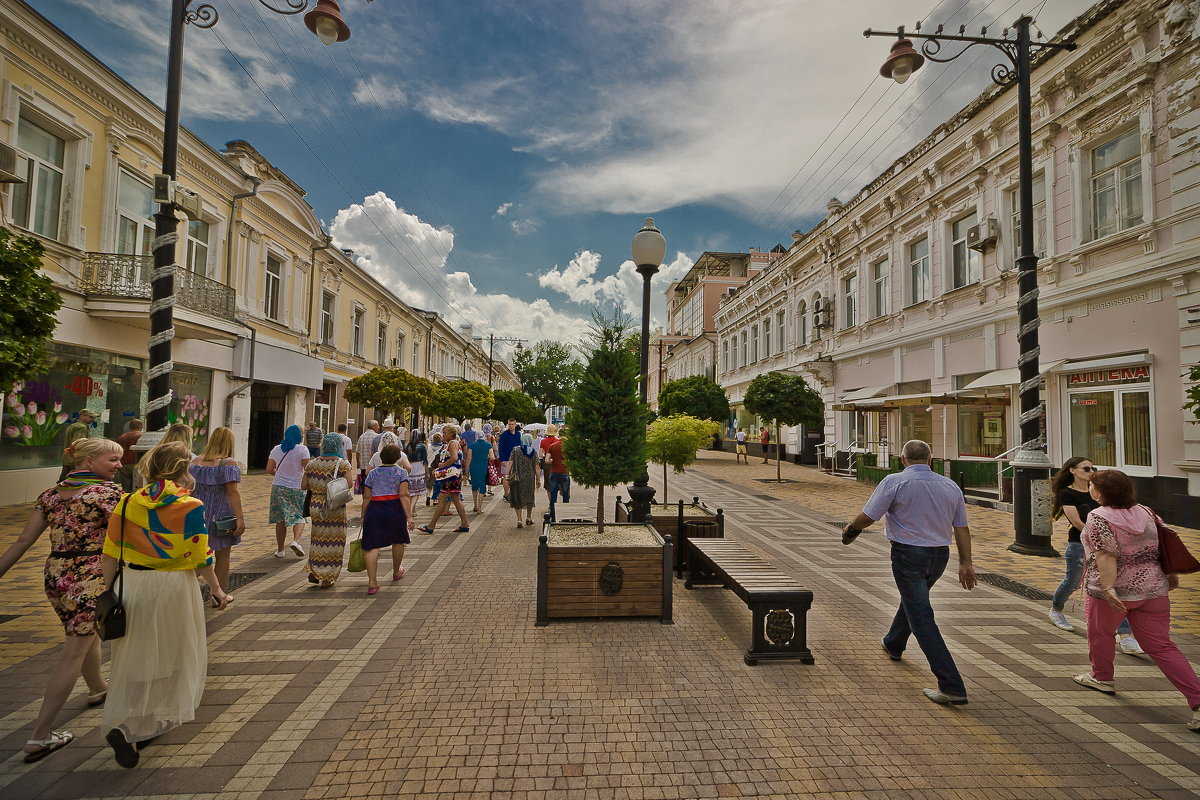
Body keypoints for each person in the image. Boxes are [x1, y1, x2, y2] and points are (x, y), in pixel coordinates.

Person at [101, 441, 231, 768]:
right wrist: (217, 590)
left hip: (132, 583)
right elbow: (201, 558)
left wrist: (108, 590)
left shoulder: (128, 501)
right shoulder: (189, 505)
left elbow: (109, 550)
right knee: (172, 654)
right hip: (173, 586)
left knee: (135, 652)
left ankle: (133, 720)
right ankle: (136, 725)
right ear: (183, 468)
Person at [0, 438, 123, 762]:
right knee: (73, 652)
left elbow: (24, 540)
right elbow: (127, 535)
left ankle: (98, 688)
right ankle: (39, 736)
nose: (119, 465)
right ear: (88, 461)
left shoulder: (51, 495)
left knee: (81, 634)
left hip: (56, 576)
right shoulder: (107, 495)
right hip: (90, 576)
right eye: (113, 459)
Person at [841, 439, 976, 705]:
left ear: (902, 459)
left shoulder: (895, 481)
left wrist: (851, 530)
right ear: (930, 459)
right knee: (915, 601)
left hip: (908, 555)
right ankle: (894, 642)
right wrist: (966, 562)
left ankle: (951, 685)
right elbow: (961, 527)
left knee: (921, 616)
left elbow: (869, 515)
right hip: (939, 555)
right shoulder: (950, 486)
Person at [1072, 469, 1200, 732]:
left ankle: (1102, 677)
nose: (1090, 490)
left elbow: (1106, 555)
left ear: (1102, 491)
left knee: (1100, 634)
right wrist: (1170, 574)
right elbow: (1164, 544)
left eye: (1093, 486)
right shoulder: (1146, 512)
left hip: (1112, 592)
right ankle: (1198, 701)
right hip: (1153, 589)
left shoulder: (1097, 517)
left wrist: (1108, 588)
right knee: (1162, 646)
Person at [1048, 457, 1140, 652]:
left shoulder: (1098, 492)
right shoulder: (1067, 493)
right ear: (1073, 470)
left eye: (1093, 468)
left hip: (1106, 548)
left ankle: (1125, 636)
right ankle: (1056, 610)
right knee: (1073, 582)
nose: (1091, 471)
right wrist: (1097, 537)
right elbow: (1077, 523)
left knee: (1112, 585)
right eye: (1086, 468)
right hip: (1079, 544)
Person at [189, 427, 245, 592]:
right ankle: (218, 594)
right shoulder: (229, 464)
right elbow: (232, 492)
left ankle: (187, 590)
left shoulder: (195, 463)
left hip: (197, 513)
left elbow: (190, 489)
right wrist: (240, 518)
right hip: (221, 514)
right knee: (222, 555)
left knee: (198, 554)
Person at [301, 432, 354, 588]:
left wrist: (318, 485)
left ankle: (315, 570)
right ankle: (327, 577)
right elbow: (349, 484)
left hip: (316, 505)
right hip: (334, 504)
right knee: (335, 540)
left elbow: (304, 485)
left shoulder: (312, 463)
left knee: (317, 539)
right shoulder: (343, 464)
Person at [361, 443, 412, 595]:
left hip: (375, 508)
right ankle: (396, 571)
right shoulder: (402, 473)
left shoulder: (372, 474)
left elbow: (367, 497)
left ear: (381, 457)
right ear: (398, 457)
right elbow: (403, 495)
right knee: (398, 540)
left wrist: (363, 514)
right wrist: (409, 516)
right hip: (394, 508)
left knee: (372, 545)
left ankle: (372, 582)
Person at [417, 424, 470, 534]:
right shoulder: (454, 443)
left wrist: (443, 465)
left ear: (451, 434)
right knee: (455, 498)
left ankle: (431, 526)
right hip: (454, 475)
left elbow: (454, 457)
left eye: (445, 433)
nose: (443, 435)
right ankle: (464, 523)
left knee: (442, 498)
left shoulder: (451, 443)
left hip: (450, 476)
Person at [267, 425, 309, 558]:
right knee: (299, 516)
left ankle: (280, 550)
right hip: (296, 487)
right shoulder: (303, 449)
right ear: (299, 436)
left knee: (280, 519)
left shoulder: (276, 449)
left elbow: (269, 469)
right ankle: (296, 541)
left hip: (278, 487)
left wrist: (281, 475)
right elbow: (307, 469)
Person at [506, 433, 541, 527]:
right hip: (529, 479)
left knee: (517, 498)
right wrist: (538, 479)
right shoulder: (533, 452)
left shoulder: (515, 450)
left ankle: (519, 520)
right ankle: (529, 518)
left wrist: (507, 474)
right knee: (529, 497)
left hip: (517, 478)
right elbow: (537, 467)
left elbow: (510, 463)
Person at [540, 424, 570, 522]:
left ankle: (553, 516)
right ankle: (565, 516)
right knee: (565, 495)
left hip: (554, 473)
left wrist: (553, 460)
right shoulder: (569, 446)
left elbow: (546, 460)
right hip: (565, 472)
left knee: (553, 495)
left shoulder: (552, 446)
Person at [58, 409, 96, 481]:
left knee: (63, 481)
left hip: (68, 458)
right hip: (75, 460)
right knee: (76, 482)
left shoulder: (73, 425)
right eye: (91, 417)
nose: (93, 419)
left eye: (94, 417)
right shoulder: (81, 427)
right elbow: (78, 443)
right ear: (82, 416)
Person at [466, 430, 496, 513]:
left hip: (473, 467)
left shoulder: (472, 445)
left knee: (474, 486)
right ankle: (479, 508)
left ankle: (475, 505)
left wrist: (467, 469)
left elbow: (469, 458)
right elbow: (492, 457)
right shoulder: (488, 445)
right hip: (483, 467)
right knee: (482, 486)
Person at [403, 430, 428, 519]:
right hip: (419, 468)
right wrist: (427, 472)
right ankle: (410, 509)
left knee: (410, 491)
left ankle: (413, 510)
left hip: (409, 468)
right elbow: (425, 461)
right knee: (417, 492)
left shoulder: (406, 446)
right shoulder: (422, 446)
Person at [114, 419, 143, 492]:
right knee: (137, 488)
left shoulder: (121, 437)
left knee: (126, 488)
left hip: (124, 465)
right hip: (136, 464)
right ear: (142, 426)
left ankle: (125, 500)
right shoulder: (142, 436)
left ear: (129, 427)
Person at [497, 419, 522, 500]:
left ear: (515, 425)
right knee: (506, 476)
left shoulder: (518, 434)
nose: (510, 426)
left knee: (514, 476)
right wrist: (502, 460)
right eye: (509, 424)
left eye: (512, 424)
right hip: (506, 458)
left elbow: (520, 446)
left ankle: (512, 493)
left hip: (515, 458)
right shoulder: (504, 434)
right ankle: (506, 494)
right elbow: (500, 447)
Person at [355, 419, 381, 491]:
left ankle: (364, 499)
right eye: (377, 425)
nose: (378, 427)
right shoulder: (377, 437)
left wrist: (358, 462)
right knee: (373, 486)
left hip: (363, 466)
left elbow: (357, 451)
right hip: (373, 466)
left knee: (364, 485)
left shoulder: (362, 436)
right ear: (374, 426)